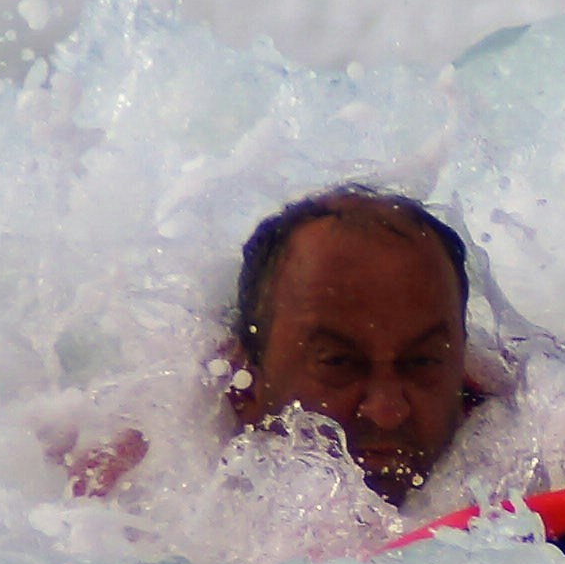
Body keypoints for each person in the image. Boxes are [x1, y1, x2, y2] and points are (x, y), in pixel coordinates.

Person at [60, 186, 504, 508]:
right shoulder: (141, 491)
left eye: (421, 362)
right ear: (243, 385)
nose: (388, 410)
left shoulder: (523, 444)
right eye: (340, 363)